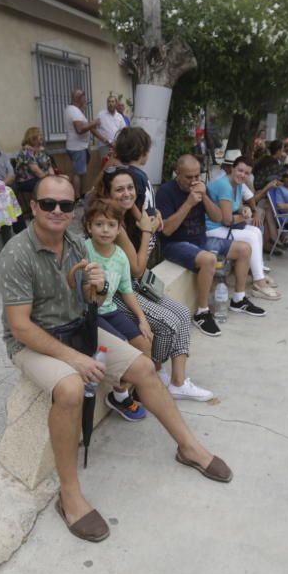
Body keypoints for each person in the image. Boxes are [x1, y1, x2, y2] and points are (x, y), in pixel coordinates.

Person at [0, 175, 232, 543]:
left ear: (74, 209)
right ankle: (69, 495)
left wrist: (96, 285)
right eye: (48, 204)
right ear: (34, 207)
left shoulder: (75, 244)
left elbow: (91, 300)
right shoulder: (16, 254)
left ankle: (189, 447)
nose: (58, 211)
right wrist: (74, 358)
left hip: (79, 326)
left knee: (144, 366)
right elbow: (21, 327)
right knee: (72, 388)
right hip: (35, 343)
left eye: (66, 205)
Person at [94, 167, 213, 401]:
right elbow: (137, 268)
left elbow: (148, 221)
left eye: (131, 188)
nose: (127, 193)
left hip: (136, 284)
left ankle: (178, 383)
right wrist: (147, 231)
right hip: (119, 292)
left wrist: (152, 214)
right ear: (107, 194)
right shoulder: (111, 223)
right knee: (168, 324)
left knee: (181, 312)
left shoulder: (127, 209)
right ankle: (154, 371)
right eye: (119, 189)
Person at [156, 155, 265, 338]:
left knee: (244, 249)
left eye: (197, 176)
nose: (193, 181)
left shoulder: (201, 188)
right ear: (177, 174)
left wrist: (204, 196)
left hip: (200, 239)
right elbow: (166, 230)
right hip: (175, 243)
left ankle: (239, 299)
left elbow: (217, 218)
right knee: (209, 260)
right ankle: (202, 312)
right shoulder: (166, 192)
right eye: (188, 177)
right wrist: (189, 202)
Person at [83, 199, 151, 421]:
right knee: (118, 344)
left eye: (111, 225)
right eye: (99, 224)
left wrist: (142, 318)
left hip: (110, 310)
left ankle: (135, 388)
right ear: (88, 226)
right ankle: (119, 396)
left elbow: (127, 290)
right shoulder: (84, 249)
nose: (105, 230)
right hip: (89, 313)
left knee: (143, 341)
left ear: (119, 227)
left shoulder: (120, 255)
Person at [205, 154, 280, 300]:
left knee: (256, 231)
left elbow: (237, 207)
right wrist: (246, 216)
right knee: (251, 236)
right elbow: (227, 220)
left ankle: (259, 276)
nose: (242, 175)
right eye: (240, 170)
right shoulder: (224, 185)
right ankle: (259, 282)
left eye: (246, 173)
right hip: (212, 229)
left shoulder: (237, 185)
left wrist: (243, 210)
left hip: (223, 227)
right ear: (232, 169)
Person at [64, 89, 102, 199]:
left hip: (78, 146)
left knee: (81, 172)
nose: (86, 100)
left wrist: (103, 139)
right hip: (77, 147)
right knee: (78, 173)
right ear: (78, 98)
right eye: (84, 98)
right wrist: (94, 123)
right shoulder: (74, 111)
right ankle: (77, 197)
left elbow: (87, 128)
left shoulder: (74, 110)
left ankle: (81, 194)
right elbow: (80, 129)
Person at [14, 126, 55, 211]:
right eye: (39, 135)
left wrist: (54, 177)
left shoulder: (41, 151)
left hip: (40, 178)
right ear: (33, 137)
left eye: (41, 134)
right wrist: (49, 177)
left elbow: (49, 166)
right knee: (47, 184)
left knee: (61, 180)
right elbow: (38, 172)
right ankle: (46, 208)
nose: (42, 137)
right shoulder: (26, 152)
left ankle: (55, 206)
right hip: (26, 181)